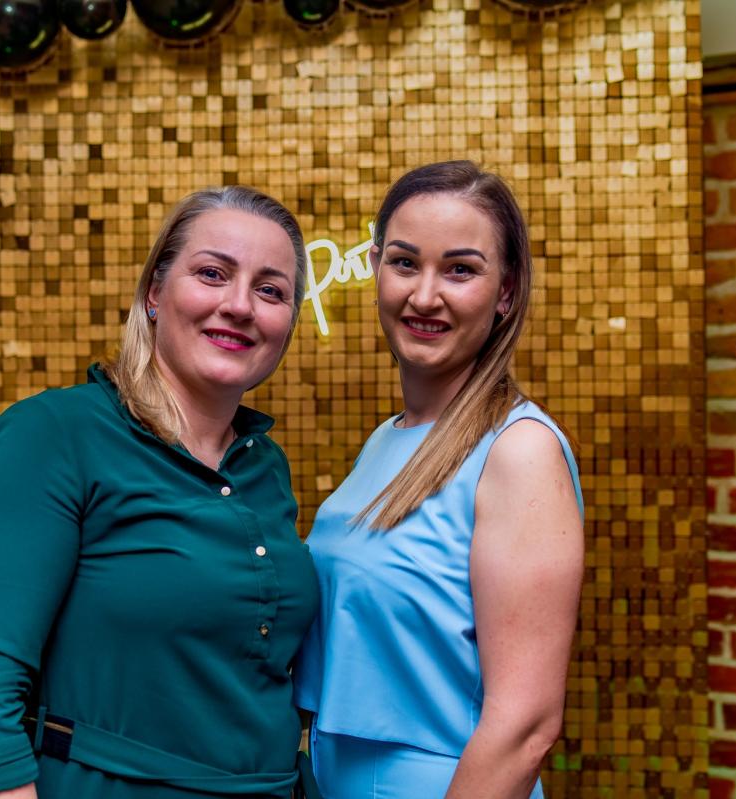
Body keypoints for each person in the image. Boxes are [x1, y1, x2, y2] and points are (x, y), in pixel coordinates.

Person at [0, 186, 320, 799]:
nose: (240, 305)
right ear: (155, 293)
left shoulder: (264, 466)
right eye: (212, 274)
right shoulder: (52, 436)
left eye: (271, 290)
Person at [293, 161, 585, 799]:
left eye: (460, 270)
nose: (424, 297)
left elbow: (526, 727)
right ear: (376, 269)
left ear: (505, 291)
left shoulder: (519, 450)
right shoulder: (387, 440)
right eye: (405, 263)